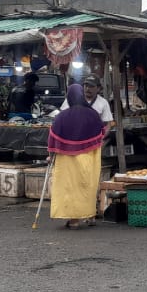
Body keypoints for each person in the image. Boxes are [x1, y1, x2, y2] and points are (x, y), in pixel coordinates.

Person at [47, 84, 107, 229]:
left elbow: (52, 138)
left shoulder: (61, 117)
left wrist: (50, 155)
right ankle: (90, 216)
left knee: (70, 188)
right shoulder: (93, 114)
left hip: (66, 158)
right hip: (89, 157)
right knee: (88, 185)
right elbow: (101, 133)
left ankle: (74, 220)